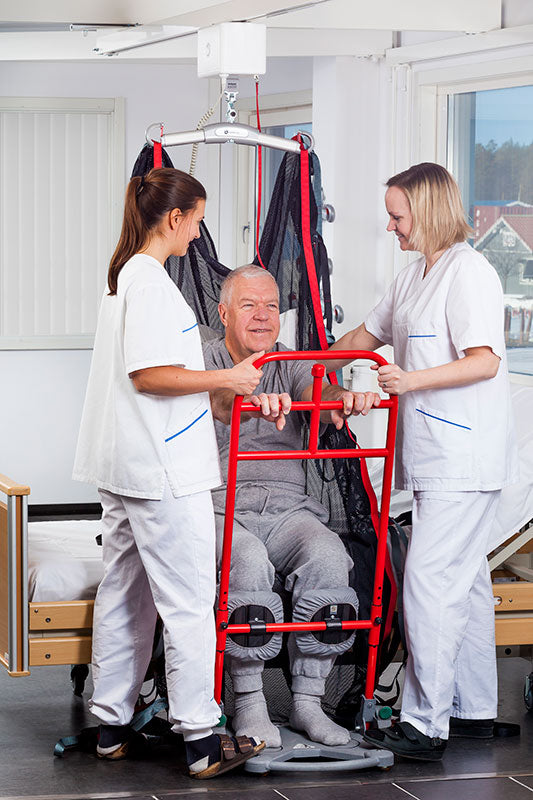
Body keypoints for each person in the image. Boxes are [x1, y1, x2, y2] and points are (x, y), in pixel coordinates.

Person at [73, 168, 267, 779]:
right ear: (175, 219)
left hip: (128, 465)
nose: (200, 231)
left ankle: (109, 725)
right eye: (199, 219)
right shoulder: (150, 282)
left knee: (125, 596)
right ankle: (202, 739)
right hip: (160, 470)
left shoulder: (124, 276)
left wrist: (220, 390)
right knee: (188, 602)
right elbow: (148, 376)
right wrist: (228, 379)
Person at [327, 162, 518, 760]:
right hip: (437, 458)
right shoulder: (414, 278)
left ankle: (424, 723)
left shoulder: (470, 274)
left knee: (430, 582)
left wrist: (407, 381)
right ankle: (472, 710)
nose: (390, 226)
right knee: (466, 584)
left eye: (396, 214)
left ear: (428, 211)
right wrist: (307, 371)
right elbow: (363, 335)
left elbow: (484, 361)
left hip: (466, 455)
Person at [203, 264, 380, 748]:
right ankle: (248, 701)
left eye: (272, 306)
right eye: (248, 305)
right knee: (247, 562)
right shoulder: (205, 359)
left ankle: (306, 702)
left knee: (327, 557)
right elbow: (219, 398)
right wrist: (244, 396)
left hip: (289, 509)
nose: (263, 316)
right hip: (223, 505)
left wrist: (339, 397)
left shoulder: (293, 359)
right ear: (222, 313)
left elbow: (316, 391)